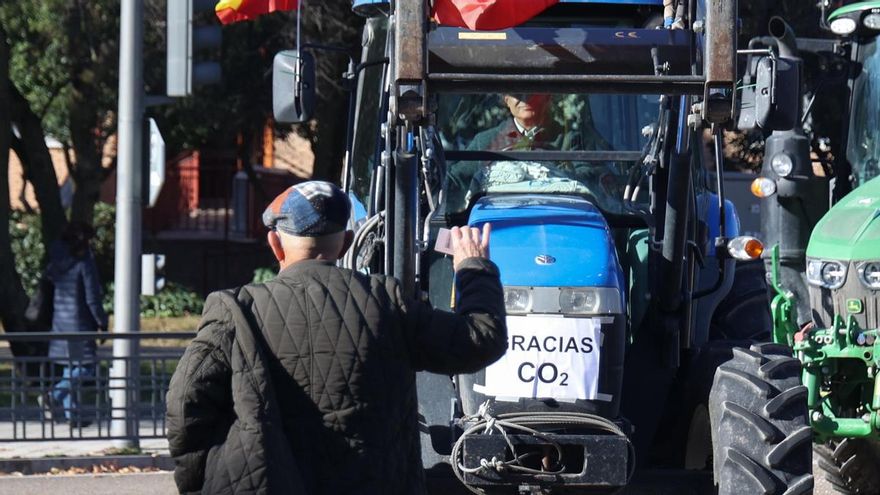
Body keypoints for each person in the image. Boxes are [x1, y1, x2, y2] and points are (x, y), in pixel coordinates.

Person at [167, 180, 507, 494]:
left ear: (275, 243)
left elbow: (185, 404)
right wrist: (472, 268)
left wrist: (201, 480)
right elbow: (481, 339)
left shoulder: (237, 311)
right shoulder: (389, 302)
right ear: (345, 242)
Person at [45, 221, 108, 426]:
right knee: (86, 368)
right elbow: (92, 298)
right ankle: (55, 394)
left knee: (68, 368)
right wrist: (102, 321)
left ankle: (74, 416)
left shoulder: (57, 261)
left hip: (60, 323)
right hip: (80, 325)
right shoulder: (84, 263)